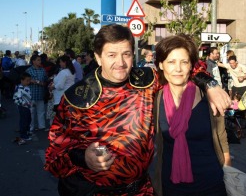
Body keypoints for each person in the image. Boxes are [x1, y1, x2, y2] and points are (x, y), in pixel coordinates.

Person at [44, 24, 231, 196]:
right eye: (111, 55)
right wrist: (82, 157)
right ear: (98, 57)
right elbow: (53, 156)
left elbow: (183, 65)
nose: (121, 62)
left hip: (142, 190)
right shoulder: (76, 99)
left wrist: (210, 85)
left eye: (126, 54)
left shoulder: (147, 81)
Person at [151, 34, 231, 196]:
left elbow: (221, 137)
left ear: (191, 65)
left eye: (184, 62)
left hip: (211, 184)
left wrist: (229, 173)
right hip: (171, 185)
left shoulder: (208, 96)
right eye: (171, 62)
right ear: (161, 65)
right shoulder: (154, 99)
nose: (178, 69)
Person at [26, 55, 48, 132]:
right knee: (31, 112)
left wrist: (43, 83)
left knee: (41, 111)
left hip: (40, 94)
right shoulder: (29, 70)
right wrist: (31, 81)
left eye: (40, 60)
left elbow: (46, 80)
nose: (40, 61)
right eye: (38, 60)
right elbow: (25, 82)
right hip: (31, 95)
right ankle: (30, 128)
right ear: (33, 61)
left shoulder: (43, 70)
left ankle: (41, 126)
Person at [13, 72, 32, 145]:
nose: (28, 82)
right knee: (24, 120)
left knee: (28, 119)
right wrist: (24, 103)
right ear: (22, 80)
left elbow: (28, 97)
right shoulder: (19, 88)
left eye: (29, 80)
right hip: (22, 107)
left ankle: (26, 132)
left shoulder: (27, 87)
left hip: (27, 106)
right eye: (27, 80)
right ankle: (23, 135)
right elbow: (16, 99)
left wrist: (30, 103)